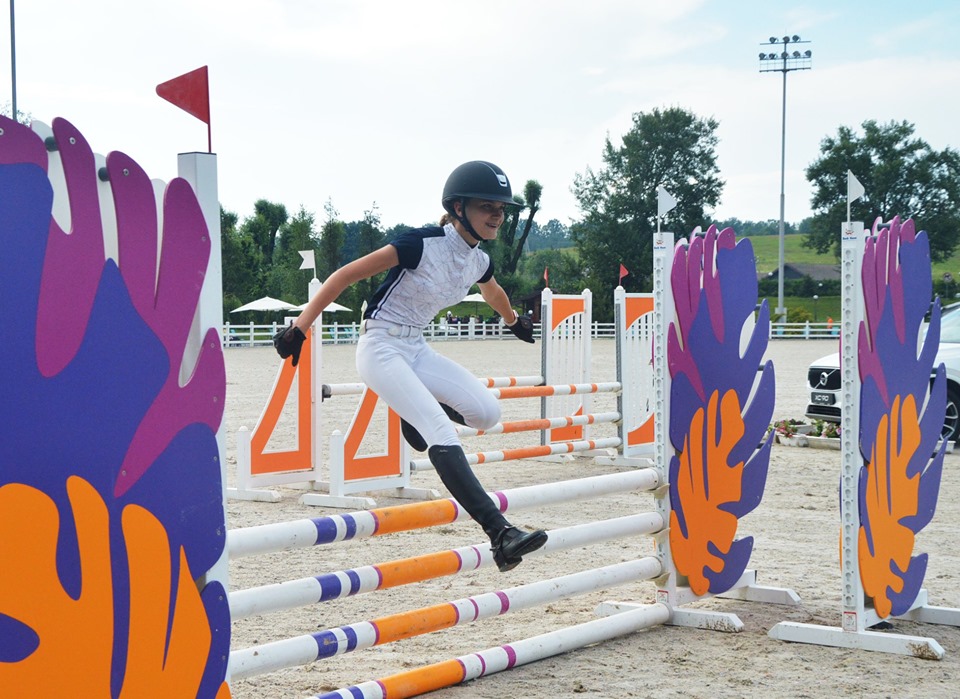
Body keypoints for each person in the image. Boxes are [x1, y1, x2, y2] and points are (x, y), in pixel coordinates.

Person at [273, 160, 547, 572]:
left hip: (416, 348)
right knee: (440, 429)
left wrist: (514, 322)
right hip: (380, 346)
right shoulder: (420, 243)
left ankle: (411, 417)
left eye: (502, 209)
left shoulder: (478, 260)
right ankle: (500, 534)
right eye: (487, 206)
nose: (497, 215)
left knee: (487, 412)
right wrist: (300, 326)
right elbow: (345, 275)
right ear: (458, 208)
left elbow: (493, 293)